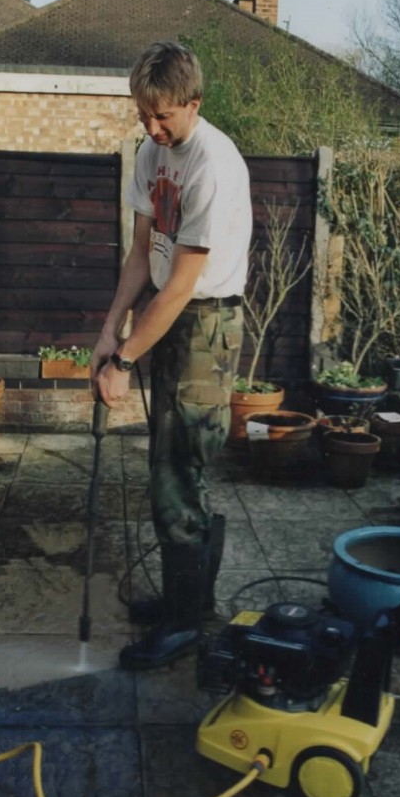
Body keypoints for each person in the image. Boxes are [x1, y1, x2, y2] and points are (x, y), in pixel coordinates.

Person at [91, 40, 252, 671]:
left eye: (163, 116)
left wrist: (124, 363)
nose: (153, 128)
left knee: (178, 472)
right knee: (170, 463)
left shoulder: (213, 165)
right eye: (144, 115)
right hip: (166, 313)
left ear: (194, 103)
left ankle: (186, 624)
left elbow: (184, 283)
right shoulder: (150, 153)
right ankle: (189, 602)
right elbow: (142, 253)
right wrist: (110, 331)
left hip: (205, 326)